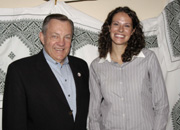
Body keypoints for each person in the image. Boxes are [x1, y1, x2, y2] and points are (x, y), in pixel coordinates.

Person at [3, 14, 89, 130]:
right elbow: (13, 123)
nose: (61, 43)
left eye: (67, 37)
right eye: (55, 36)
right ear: (42, 37)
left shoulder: (81, 66)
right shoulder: (20, 71)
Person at [88, 6, 169, 130]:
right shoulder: (96, 66)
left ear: (133, 31)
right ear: (109, 27)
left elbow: (161, 106)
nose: (120, 29)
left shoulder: (148, 59)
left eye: (126, 25)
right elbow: (94, 113)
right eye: (116, 24)